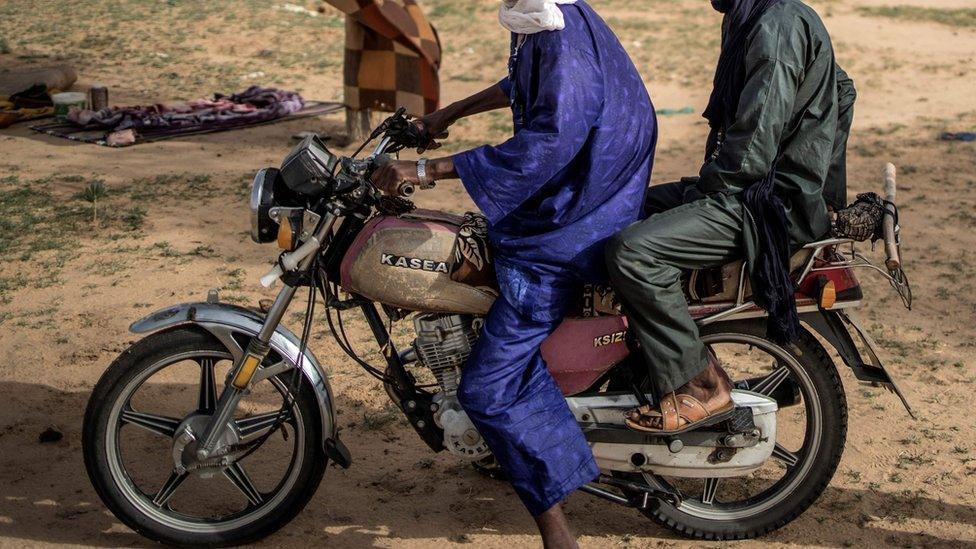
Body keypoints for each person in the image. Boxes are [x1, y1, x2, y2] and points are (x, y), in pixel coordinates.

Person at [371, 0, 656, 545]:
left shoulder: (562, 42)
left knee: (487, 387)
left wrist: (427, 169)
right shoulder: (546, 20)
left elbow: (545, 144)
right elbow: (522, 85)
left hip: (575, 218)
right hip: (579, 193)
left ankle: (557, 533)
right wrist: (448, 114)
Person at [606, 0, 854, 434]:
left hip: (765, 203)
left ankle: (700, 385)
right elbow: (843, 91)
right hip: (757, 189)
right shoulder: (757, 16)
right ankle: (639, 358)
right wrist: (827, 190)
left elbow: (753, 144)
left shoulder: (775, 25)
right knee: (623, 208)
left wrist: (707, 195)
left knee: (632, 252)